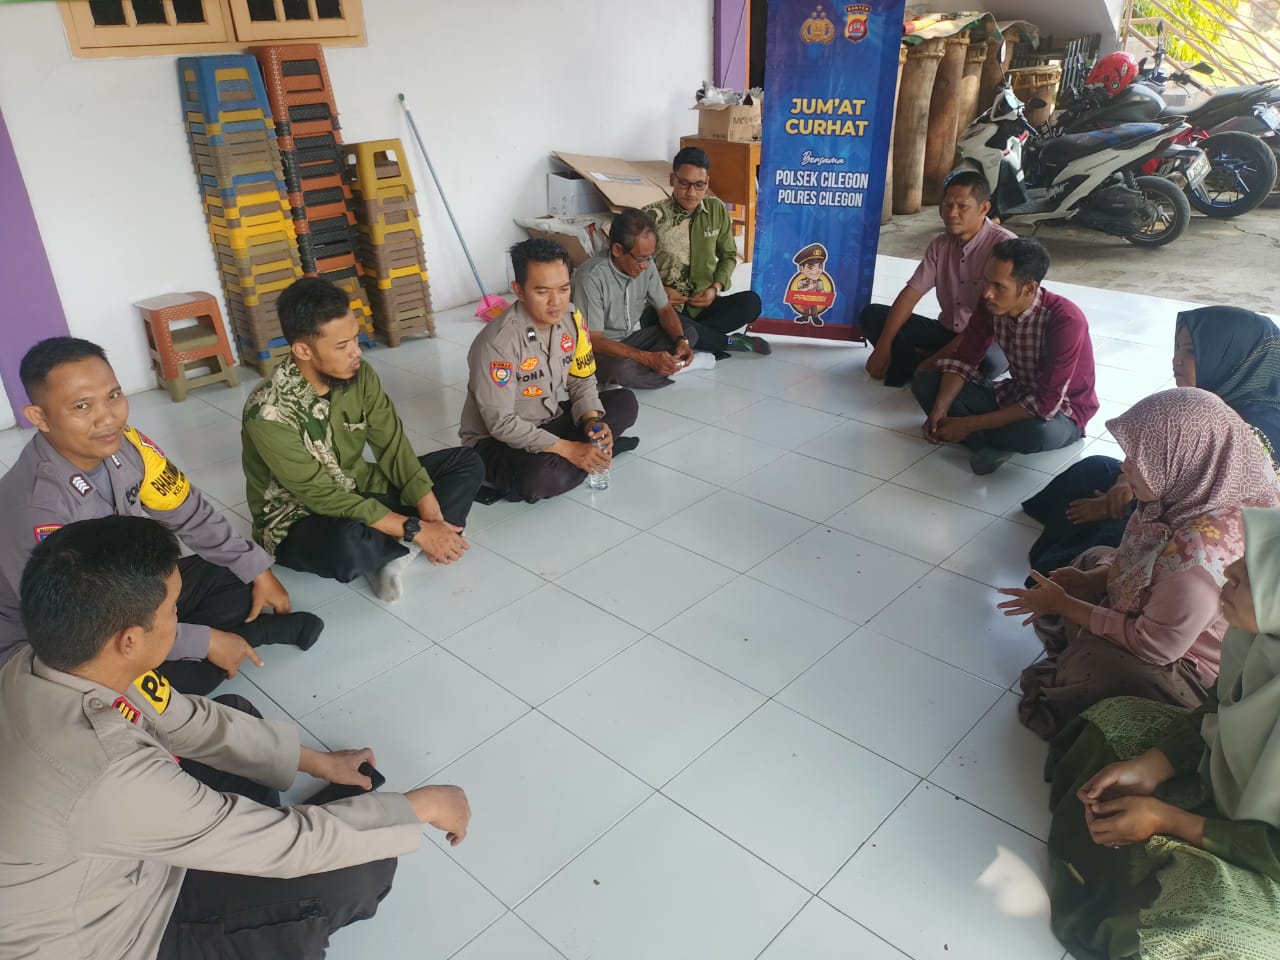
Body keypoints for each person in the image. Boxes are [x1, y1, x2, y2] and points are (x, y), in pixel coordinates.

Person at [0, 515, 470, 960]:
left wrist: (319, 763)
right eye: (172, 610)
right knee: (358, 869)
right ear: (129, 640)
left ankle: (243, 835)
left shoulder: (47, 661)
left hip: (104, 850)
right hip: (117, 929)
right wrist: (420, 807)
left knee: (236, 717)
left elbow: (185, 720)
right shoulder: (104, 771)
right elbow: (287, 847)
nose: (179, 617)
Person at [0, 337, 321, 696]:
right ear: (39, 417)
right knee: (158, 691)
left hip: (127, 590)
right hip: (63, 640)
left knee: (235, 575)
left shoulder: (128, 446)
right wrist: (203, 641)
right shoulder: (36, 510)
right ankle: (245, 637)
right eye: (82, 406)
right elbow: (78, 622)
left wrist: (258, 571)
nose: (107, 418)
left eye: (113, 396)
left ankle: (224, 641)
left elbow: (188, 512)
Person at [1041, 506, 1280, 959]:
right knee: (1114, 722)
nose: (1229, 569)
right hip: (1227, 785)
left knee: (1208, 931)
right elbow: (1215, 710)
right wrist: (1155, 765)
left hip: (1268, 858)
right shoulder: (1257, 638)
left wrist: (1170, 821)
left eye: (1251, 574)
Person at [997, 389, 1279, 740]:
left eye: (1138, 459)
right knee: (1091, 558)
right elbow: (1140, 562)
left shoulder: (1197, 563)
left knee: (1091, 666)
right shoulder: (1204, 492)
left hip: (1186, 660)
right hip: (1169, 611)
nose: (1124, 466)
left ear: (1182, 461)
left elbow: (1155, 647)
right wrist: (1091, 581)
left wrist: (1064, 604)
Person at [242, 277, 484, 604]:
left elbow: (392, 446)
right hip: (301, 515)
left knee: (466, 462)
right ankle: (399, 545)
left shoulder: (360, 375)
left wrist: (431, 514)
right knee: (346, 543)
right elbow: (322, 496)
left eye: (356, 338)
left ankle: (391, 553)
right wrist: (415, 529)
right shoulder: (267, 412)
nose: (356, 351)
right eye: (342, 345)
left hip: (358, 485)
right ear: (303, 350)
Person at [1022, 305, 1280, 578]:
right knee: (1093, 468)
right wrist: (1123, 485)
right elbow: (1155, 452)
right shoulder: (1204, 400)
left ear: (1231, 359)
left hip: (1198, 524)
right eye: (1177, 348)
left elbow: (1197, 500)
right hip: (1164, 492)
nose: (1176, 360)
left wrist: (1127, 502)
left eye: (1191, 352)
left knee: (1119, 537)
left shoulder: (1258, 430)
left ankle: (1071, 574)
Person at [460, 238, 640, 503]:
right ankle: (584, 457)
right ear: (519, 290)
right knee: (542, 478)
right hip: (497, 442)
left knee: (625, 402)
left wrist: (592, 421)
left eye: (564, 289)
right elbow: (501, 424)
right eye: (542, 292)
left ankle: (584, 454)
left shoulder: (571, 319)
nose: (556, 302)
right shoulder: (497, 344)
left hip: (547, 419)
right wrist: (568, 449)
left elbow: (581, 379)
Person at [912, 237, 1097, 475]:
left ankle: (980, 437)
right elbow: (964, 360)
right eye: (986, 282)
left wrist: (968, 424)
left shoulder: (1065, 320)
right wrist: (940, 408)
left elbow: (1045, 403)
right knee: (926, 384)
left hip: (1063, 412)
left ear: (1029, 289)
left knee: (1036, 433)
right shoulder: (989, 304)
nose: (987, 293)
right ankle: (994, 443)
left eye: (999, 287)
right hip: (1015, 393)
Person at [860, 171, 1014, 387]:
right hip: (947, 332)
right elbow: (910, 295)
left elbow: (985, 325)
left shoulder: (1005, 249)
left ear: (984, 208)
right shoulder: (940, 245)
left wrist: (930, 363)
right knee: (872, 315)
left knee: (987, 362)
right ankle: (936, 368)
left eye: (962, 206)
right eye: (947, 205)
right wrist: (883, 347)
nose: (952, 213)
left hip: (989, 339)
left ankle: (916, 363)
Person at [644, 146, 770, 358]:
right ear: (672, 179)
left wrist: (715, 288)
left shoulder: (716, 209)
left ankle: (693, 337)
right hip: (667, 308)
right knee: (653, 320)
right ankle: (725, 342)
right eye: (684, 183)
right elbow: (638, 265)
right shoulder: (652, 216)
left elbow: (728, 255)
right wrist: (659, 291)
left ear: (707, 182)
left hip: (705, 305)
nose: (691, 192)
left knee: (751, 303)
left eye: (699, 185)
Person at [572, 206, 699, 389]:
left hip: (629, 340)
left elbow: (664, 309)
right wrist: (647, 358)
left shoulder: (646, 265)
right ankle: (672, 369)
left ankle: (660, 367)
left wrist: (681, 341)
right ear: (617, 250)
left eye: (650, 257)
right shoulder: (591, 277)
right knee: (621, 370)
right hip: (598, 349)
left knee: (688, 333)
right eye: (640, 259)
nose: (645, 265)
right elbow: (595, 340)